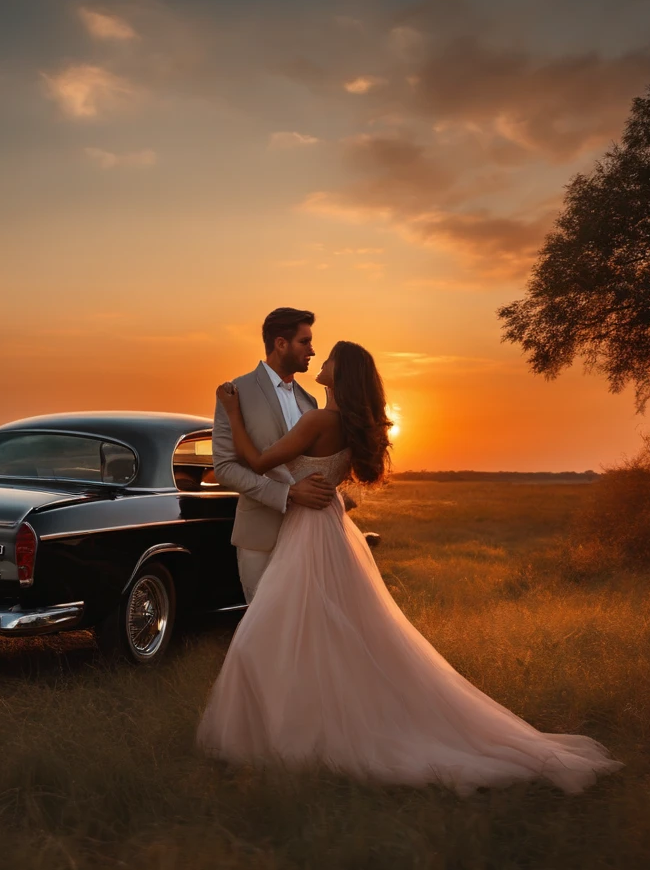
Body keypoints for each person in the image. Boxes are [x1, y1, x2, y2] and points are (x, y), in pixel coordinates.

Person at [197, 340, 622, 795]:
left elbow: (258, 462)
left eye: (330, 360)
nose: (321, 361)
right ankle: (307, 730)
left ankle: (294, 739)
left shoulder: (320, 420)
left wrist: (231, 411)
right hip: (330, 526)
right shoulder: (343, 424)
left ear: (340, 375)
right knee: (326, 635)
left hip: (309, 532)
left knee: (269, 635)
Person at [212, 306, 336, 604]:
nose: (313, 350)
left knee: (302, 628)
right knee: (262, 629)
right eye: (304, 342)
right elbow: (225, 468)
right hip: (260, 535)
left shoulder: (309, 400)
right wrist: (287, 494)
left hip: (308, 536)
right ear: (281, 343)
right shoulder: (236, 392)